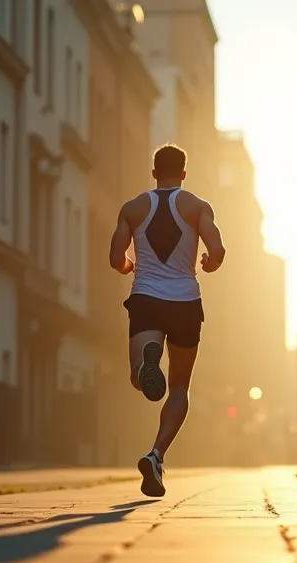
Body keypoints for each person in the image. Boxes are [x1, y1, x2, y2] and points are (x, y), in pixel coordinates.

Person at [108, 144, 225, 498]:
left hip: (146, 299)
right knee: (178, 389)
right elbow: (217, 252)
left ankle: (148, 359)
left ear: (154, 172)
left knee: (136, 379)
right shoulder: (197, 207)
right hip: (185, 302)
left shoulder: (132, 209)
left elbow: (117, 260)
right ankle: (156, 455)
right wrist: (208, 264)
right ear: (184, 174)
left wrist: (132, 265)